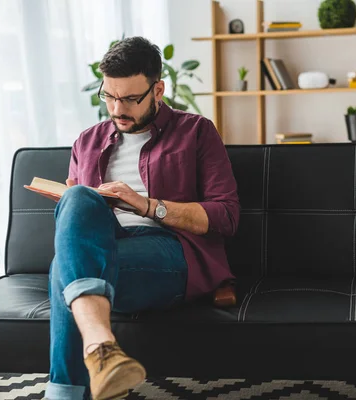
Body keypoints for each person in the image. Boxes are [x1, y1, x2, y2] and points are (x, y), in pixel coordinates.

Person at [44, 36, 240, 400]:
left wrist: (147, 206)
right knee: (77, 197)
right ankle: (102, 348)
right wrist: (73, 202)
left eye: (131, 99)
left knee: (63, 271)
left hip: (170, 251)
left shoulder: (196, 132)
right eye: (109, 96)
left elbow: (226, 216)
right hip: (104, 248)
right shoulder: (86, 141)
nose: (117, 109)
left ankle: (66, 392)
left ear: (158, 90)